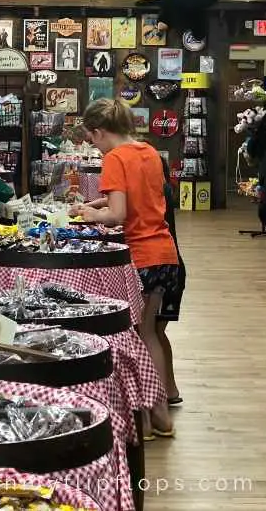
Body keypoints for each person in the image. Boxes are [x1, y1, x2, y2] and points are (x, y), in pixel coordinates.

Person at [70, 98, 179, 438]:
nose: (93, 146)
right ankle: (156, 416)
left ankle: (153, 415)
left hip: (139, 256)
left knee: (136, 336)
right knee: (151, 334)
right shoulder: (148, 151)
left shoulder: (114, 158)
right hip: (165, 252)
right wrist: (99, 201)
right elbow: (141, 196)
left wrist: (89, 214)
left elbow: (118, 215)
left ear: (99, 132)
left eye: (92, 139)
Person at [158, 155, 186, 405]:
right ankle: (169, 389)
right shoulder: (165, 188)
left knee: (152, 331)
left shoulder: (159, 192)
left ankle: (161, 392)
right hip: (174, 267)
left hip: (166, 267)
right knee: (157, 331)